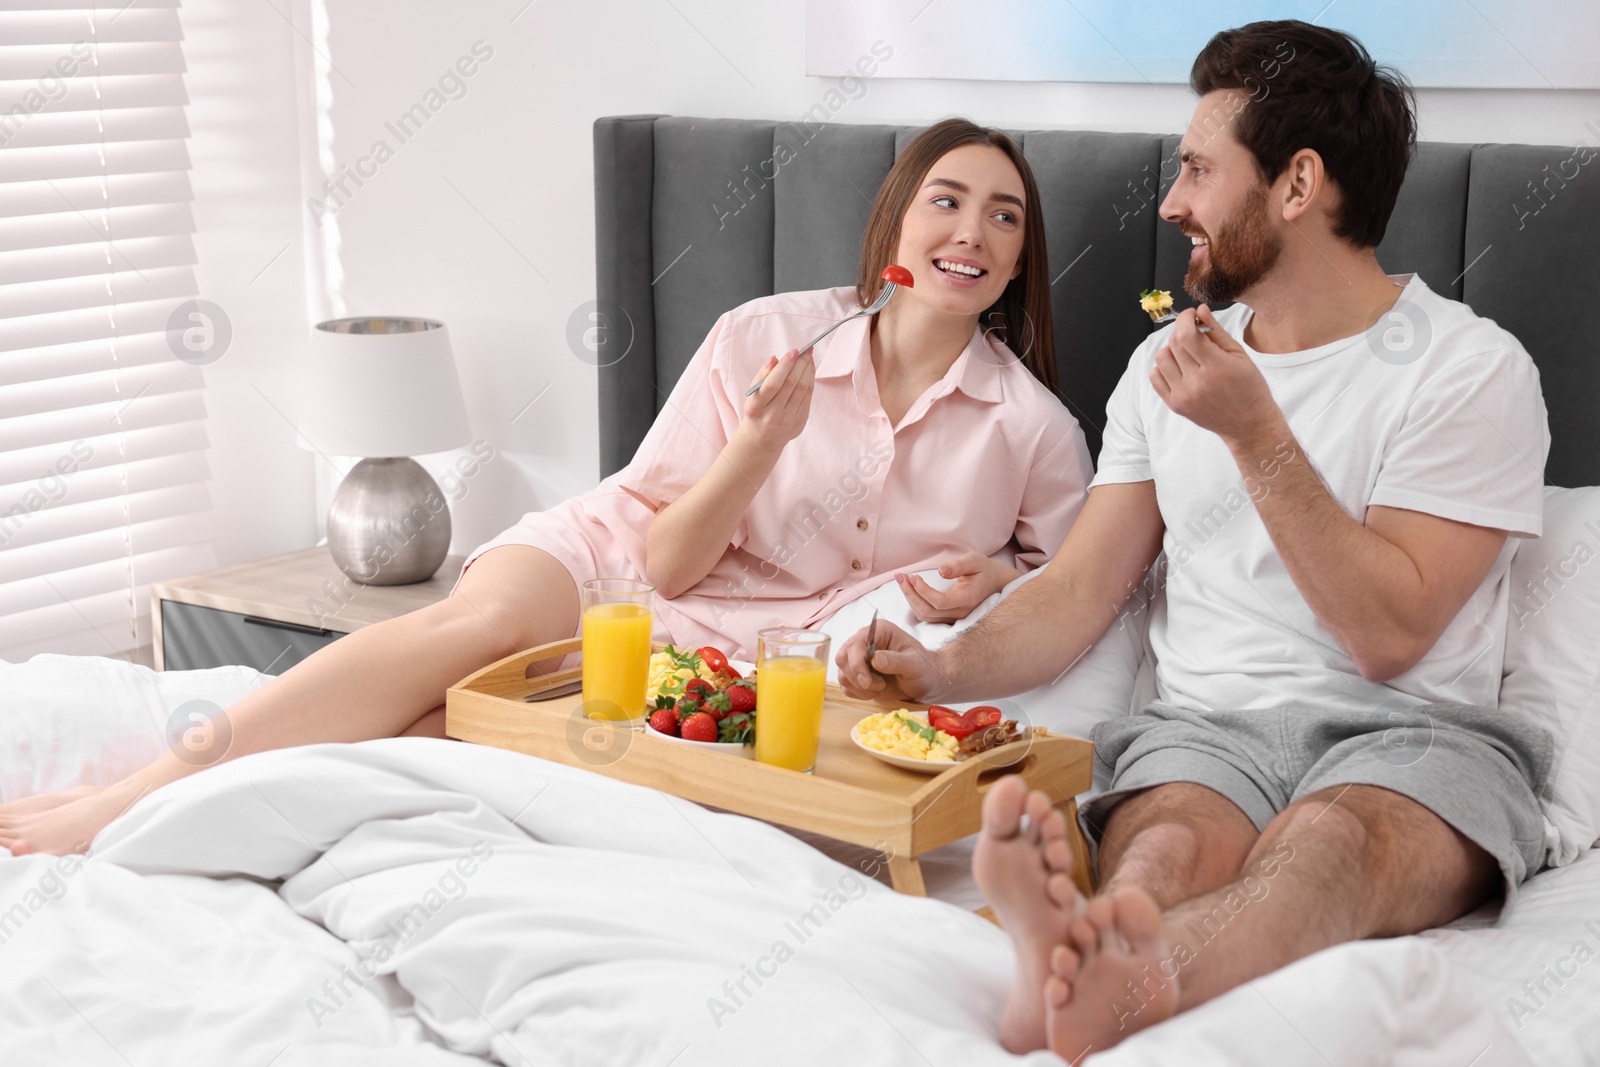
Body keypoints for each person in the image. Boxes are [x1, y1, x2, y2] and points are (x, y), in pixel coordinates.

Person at [0, 119, 1094, 858]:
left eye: (1004, 217)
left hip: (747, 641)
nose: (973, 232)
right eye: (946, 201)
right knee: (466, 633)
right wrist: (760, 446)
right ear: (896, 227)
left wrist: (997, 571)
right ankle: (117, 802)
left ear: (1016, 258)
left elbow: (1062, 585)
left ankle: (197, 809)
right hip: (621, 556)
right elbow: (665, 556)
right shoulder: (764, 336)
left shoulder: (1033, 429)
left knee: (441, 727)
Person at [841, 21, 1552, 1060]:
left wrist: (1255, 431)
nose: (1170, 202)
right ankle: (1090, 951)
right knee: (1162, 845)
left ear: (1296, 186)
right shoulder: (1161, 366)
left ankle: (1119, 981)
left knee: (1326, 844)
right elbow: (1081, 587)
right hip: (1209, 727)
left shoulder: (1468, 370)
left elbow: (1388, 634)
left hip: (1410, 737)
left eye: (1197, 170)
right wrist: (940, 667)